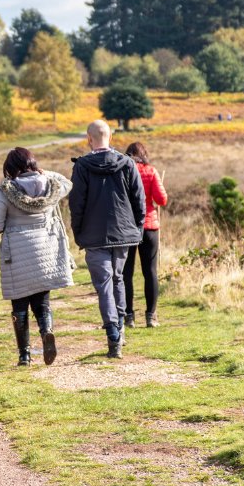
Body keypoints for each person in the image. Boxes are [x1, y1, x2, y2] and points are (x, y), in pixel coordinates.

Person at [0, 148, 74, 366]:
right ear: (33, 164)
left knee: (19, 305)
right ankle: (47, 332)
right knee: (42, 303)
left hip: (17, 255)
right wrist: (43, 173)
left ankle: (24, 354)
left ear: (9, 168)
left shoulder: (5, 192)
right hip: (45, 252)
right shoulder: (51, 186)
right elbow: (67, 182)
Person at [69, 120, 145, 359]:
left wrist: (78, 232)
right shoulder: (127, 163)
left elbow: (76, 204)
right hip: (123, 233)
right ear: (110, 137)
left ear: (88, 138)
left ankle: (113, 333)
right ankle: (119, 328)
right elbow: (139, 200)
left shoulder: (82, 166)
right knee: (118, 279)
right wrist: (137, 227)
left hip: (93, 236)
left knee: (104, 285)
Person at [122, 141, 169, 329]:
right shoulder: (151, 171)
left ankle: (129, 316)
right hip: (149, 226)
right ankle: (151, 316)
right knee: (150, 272)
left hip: (126, 227)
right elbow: (162, 199)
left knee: (126, 273)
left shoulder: (123, 171)